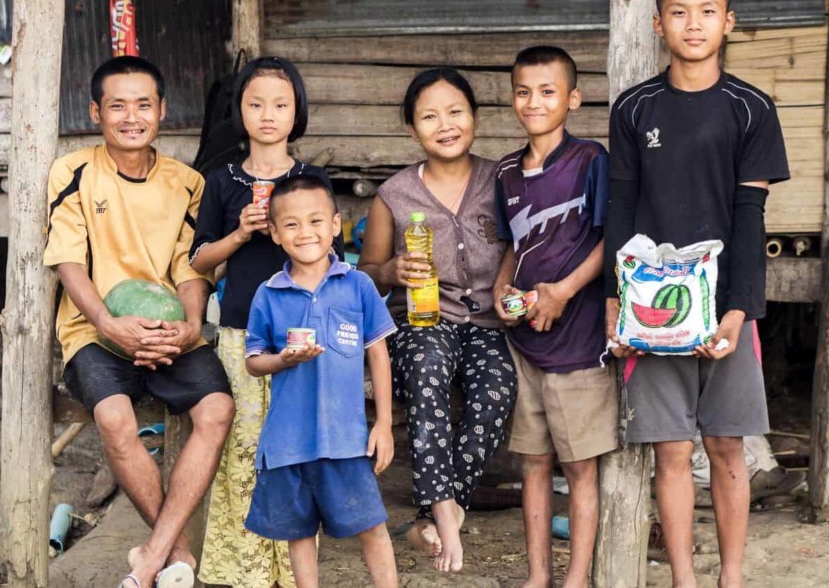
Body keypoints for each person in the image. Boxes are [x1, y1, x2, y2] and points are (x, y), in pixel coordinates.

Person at [604, 0, 790, 588]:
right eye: (679, 12)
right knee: (671, 451)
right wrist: (616, 303)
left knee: (727, 449)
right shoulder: (634, 108)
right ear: (658, 25)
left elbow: (749, 216)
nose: (693, 24)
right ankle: (685, 577)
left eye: (707, 11)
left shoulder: (751, 108)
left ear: (729, 22)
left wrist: (738, 312)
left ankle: (730, 576)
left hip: (725, 306)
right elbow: (621, 210)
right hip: (653, 306)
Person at [43, 56, 235, 588]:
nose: (132, 116)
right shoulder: (73, 171)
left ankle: (150, 557)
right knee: (114, 420)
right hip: (94, 332)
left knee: (218, 410)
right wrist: (109, 323)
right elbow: (67, 261)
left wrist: (192, 325)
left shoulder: (187, 182)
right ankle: (175, 555)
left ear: (163, 111)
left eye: (144, 104)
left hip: (170, 327)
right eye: (118, 105)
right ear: (96, 111)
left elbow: (190, 264)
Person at [192, 56, 344, 588]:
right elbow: (198, 261)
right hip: (242, 335)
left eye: (280, 104)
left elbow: (335, 258)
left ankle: (294, 569)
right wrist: (239, 234)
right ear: (239, 111)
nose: (268, 114)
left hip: (301, 333)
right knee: (244, 451)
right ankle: (245, 572)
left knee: (295, 451)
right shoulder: (222, 182)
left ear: (297, 111)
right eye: (255, 104)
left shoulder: (310, 179)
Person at [358, 68, 517, 573]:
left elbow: (524, 245)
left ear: (475, 118)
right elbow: (367, 279)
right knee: (426, 368)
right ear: (411, 129)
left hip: (491, 323)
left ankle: (436, 508)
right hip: (423, 321)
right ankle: (448, 512)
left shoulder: (504, 180)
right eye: (429, 116)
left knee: (498, 386)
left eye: (456, 112)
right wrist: (391, 269)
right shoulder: (395, 195)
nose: (445, 125)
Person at [493, 46, 617, 588]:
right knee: (533, 463)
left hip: (579, 343)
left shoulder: (591, 161)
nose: (534, 102)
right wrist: (502, 288)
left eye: (548, 91)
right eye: (524, 91)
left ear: (573, 99)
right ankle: (538, 576)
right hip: (527, 342)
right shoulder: (504, 173)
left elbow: (611, 236)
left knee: (581, 467)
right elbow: (509, 245)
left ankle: (576, 577)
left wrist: (564, 291)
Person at [243, 175, 398, 588]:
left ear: (335, 225)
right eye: (290, 224)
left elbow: (378, 354)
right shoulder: (269, 294)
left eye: (315, 221)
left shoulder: (358, 285)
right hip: (287, 443)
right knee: (298, 534)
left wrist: (382, 425)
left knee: (372, 526)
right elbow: (254, 362)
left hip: (345, 440)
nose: (304, 232)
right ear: (274, 234)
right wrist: (282, 359)